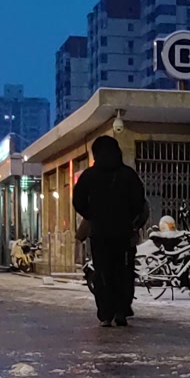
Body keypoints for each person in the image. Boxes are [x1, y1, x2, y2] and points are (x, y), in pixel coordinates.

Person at [72, 135, 148, 326]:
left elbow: (78, 201)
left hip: (100, 234)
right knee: (124, 272)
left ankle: (106, 313)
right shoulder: (128, 175)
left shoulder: (89, 176)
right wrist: (130, 220)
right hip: (124, 234)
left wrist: (93, 215)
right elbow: (139, 201)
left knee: (103, 272)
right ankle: (121, 310)